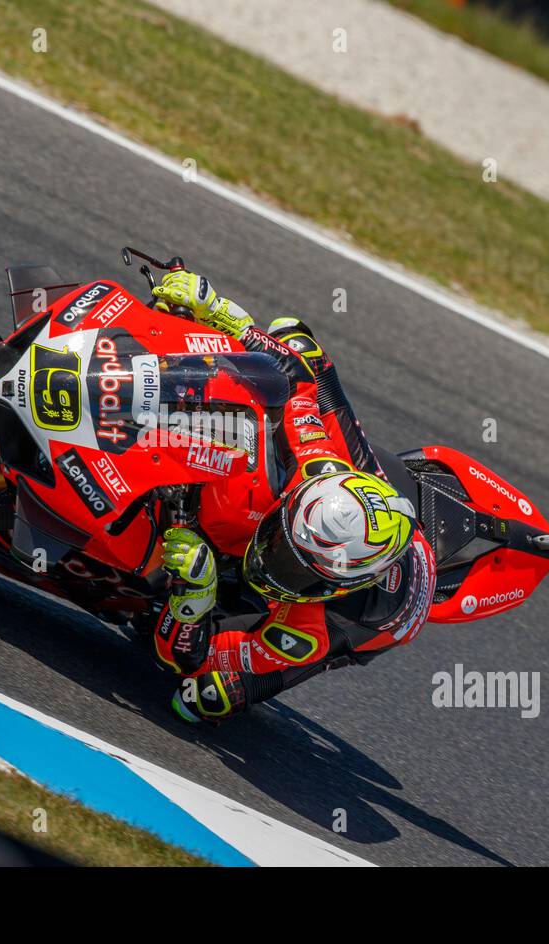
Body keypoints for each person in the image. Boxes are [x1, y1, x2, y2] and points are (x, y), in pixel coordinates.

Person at [145, 270, 437, 723]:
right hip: (365, 488)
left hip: (370, 624)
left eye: (292, 567)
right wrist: (218, 310)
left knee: (202, 699)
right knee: (297, 340)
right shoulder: (318, 465)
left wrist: (195, 599)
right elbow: (293, 374)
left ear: (331, 585)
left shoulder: (310, 629)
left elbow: (190, 658)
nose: (271, 557)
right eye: (283, 543)